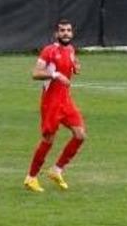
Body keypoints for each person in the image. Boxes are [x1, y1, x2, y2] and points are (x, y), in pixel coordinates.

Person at [23, 19, 86, 192]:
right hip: (51, 103)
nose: (66, 33)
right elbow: (36, 73)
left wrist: (76, 67)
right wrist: (56, 75)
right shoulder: (49, 51)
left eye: (68, 30)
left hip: (66, 101)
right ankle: (31, 177)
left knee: (80, 135)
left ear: (71, 33)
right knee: (48, 140)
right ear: (56, 33)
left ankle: (57, 170)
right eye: (62, 30)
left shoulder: (71, 50)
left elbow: (72, 65)